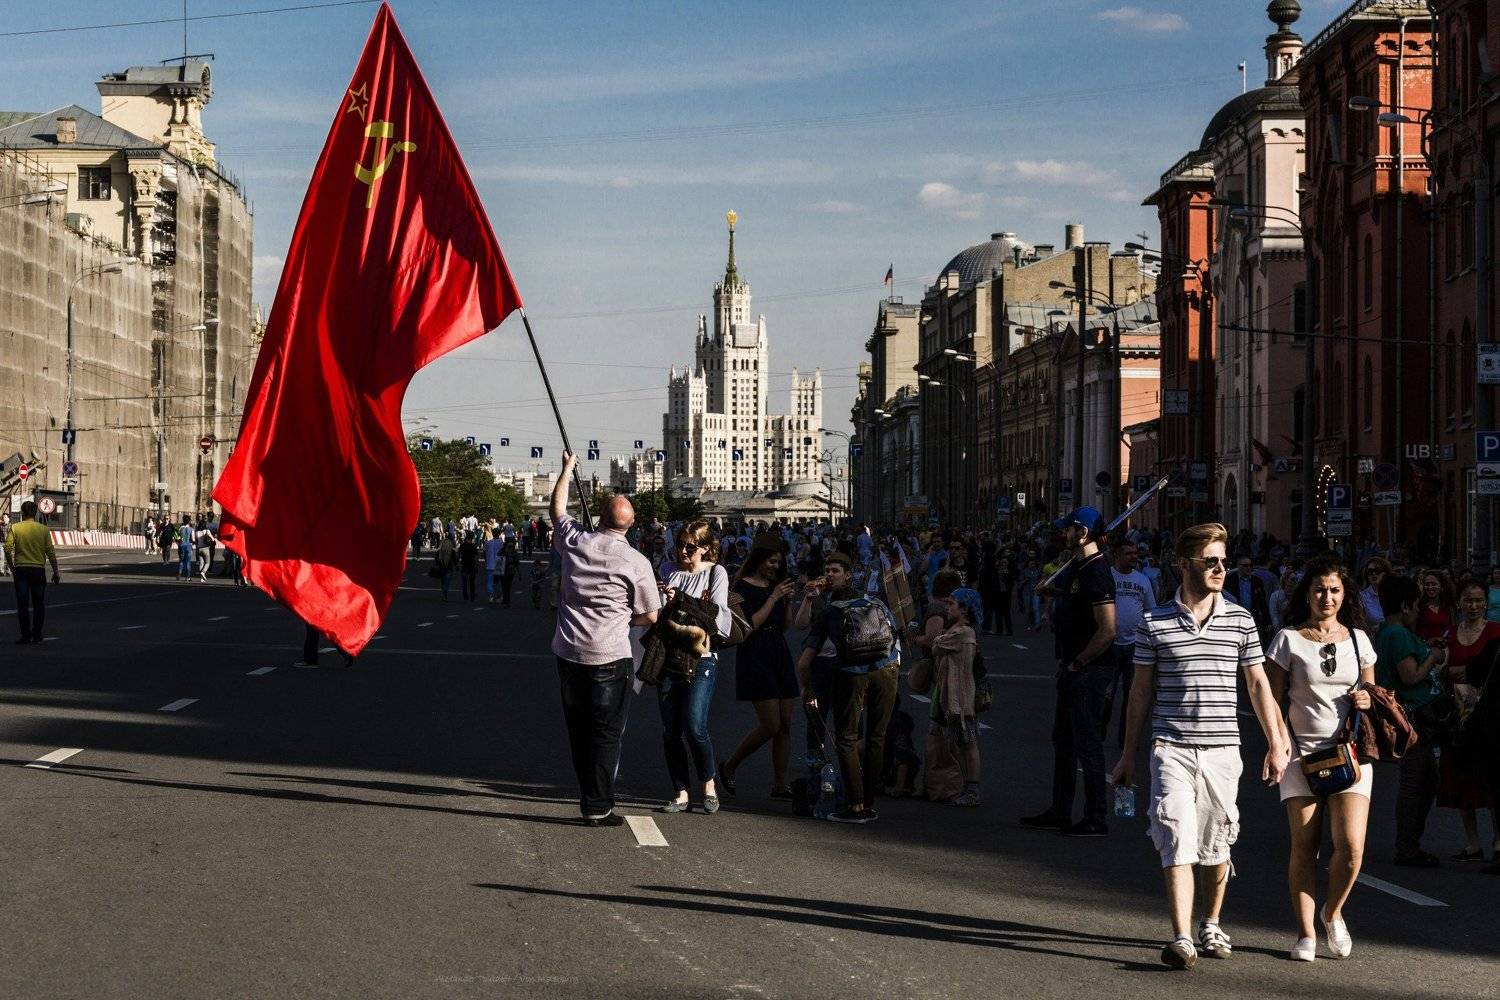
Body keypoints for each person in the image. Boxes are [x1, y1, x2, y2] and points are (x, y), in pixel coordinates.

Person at [1111, 522, 1290, 971]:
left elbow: (1258, 685)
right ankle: (1181, 937)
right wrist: (1128, 754)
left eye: (1223, 561)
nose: (1219, 569)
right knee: (1175, 836)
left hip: (1222, 750)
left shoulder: (1241, 620)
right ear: (1183, 564)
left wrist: (1275, 742)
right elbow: (1140, 692)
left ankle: (1211, 922)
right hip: (1170, 747)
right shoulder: (1154, 623)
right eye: (1210, 561)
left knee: (1216, 843)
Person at [1265, 555, 1377, 962]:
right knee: (1304, 846)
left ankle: (1333, 913)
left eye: (1334, 590)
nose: (1326, 597)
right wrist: (1276, 745)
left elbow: (1372, 695)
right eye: (1319, 590)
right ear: (1307, 594)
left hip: (1349, 754)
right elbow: (1271, 701)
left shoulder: (1359, 640)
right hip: (1301, 755)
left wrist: (1365, 698)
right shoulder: (1288, 640)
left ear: (1345, 595)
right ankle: (1306, 933)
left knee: (1351, 847)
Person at [550, 451, 660, 827]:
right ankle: (597, 804)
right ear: (632, 525)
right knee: (607, 733)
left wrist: (567, 469)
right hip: (610, 656)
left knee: (579, 730)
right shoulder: (636, 562)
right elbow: (650, 615)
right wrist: (623, 617)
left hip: (569, 653)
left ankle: (590, 796)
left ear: (599, 517)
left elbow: (557, 509)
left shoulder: (576, 541)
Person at [1021, 506, 1117, 837]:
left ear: (1083, 533)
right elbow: (1077, 599)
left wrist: (1078, 663)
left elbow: (1107, 630)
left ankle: (1096, 816)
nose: (1064, 534)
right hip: (1071, 667)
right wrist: (1054, 591)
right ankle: (1060, 810)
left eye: (1069, 529)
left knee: (1087, 744)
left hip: (1089, 671)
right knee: (1063, 741)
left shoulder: (1097, 571)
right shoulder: (1077, 567)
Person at [796, 551, 900, 823]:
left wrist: (807, 689)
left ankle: (855, 806)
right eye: (827, 571)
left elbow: (804, 662)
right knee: (876, 737)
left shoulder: (831, 611)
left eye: (835, 571)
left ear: (848, 575)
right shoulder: (874, 602)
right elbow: (895, 636)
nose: (829, 575)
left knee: (846, 739)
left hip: (852, 674)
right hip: (887, 670)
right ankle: (869, 803)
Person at [655, 519, 730, 814]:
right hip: (669, 657)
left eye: (691, 546)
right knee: (670, 731)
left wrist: (682, 600)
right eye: (680, 545)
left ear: (706, 548)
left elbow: (716, 617)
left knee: (695, 726)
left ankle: (708, 784)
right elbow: (656, 616)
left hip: (702, 658)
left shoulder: (715, 573)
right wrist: (660, 599)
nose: (683, 551)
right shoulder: (666, 570)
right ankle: (681, 792)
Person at [1374, 572, 1450, 867]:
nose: (1419, 610)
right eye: (1416, 605)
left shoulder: (1389, 632)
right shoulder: (1397, 634)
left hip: (1410, 717)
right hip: (1412, 718)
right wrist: (1433, 656)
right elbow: (1410, 675)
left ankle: (1410, 843)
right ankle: (1407, 847)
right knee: (1415, 783)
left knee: (1426, 780)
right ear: (1405, 606)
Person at [720, 541, 799, 799]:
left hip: (778, 650)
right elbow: (749, 624)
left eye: (778, 563)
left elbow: (785, 626)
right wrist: (773, 597)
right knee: (771, 725)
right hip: (755, 652)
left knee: (785, 724)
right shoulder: (741, 587)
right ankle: (730, 766)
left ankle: (780, 784)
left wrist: (788, 602)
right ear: (759, 560)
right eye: (771, 561)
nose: (775, 567)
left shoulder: (775, 586)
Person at [1437, 581, 1500, 863]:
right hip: (1458, 717)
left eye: (1478, 600)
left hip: (1490, 717)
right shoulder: (1451, 634)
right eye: (1468, 600)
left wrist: (1459, 671)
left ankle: (1498, 840)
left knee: (1491, 778)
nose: (1473, 606)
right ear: (1459, 603)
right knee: (1460, 776)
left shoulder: (1495, 632)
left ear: (1486, 603)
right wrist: (1461, 672)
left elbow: (1482, 672)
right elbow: (1441, 669)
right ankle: (1472, 843)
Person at [1106, 538, 1153, 747]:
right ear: (1117, 555)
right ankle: (1098, 731)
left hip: (1135, 645)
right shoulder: (1107, 576)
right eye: (1128, 553)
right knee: (1106, 694)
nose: (1134, 557)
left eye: (1135, 553)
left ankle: (1126, 740)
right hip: (1109, 643)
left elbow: (1150, 611)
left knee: (1132, 695)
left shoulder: (1143, 580)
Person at [4, 500, 60, 644]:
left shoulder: (15, 528)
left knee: (22, 605)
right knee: (38, 604)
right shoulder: (43, 529)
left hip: (21, 570)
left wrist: (12, 567)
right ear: (35, 513)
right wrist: (56, 572)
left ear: (22, 513)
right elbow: (50, 552)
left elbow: (7, 549)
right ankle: (37, 634)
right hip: (38, 571)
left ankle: (25, 635)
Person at [1224, 556, 1273, 646]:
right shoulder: (1229, 580)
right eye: (1245, 565)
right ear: (1238, 566)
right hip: (1234, 618)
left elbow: (1262, 602)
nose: (1249, 568)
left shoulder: (1257, 581)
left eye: (1250, 565)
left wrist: (1268, 622)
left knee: (1254, 644)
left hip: (1253, 618)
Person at [1414, 570, 1454, 643]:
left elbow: (1452, 629)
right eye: (1427, 584)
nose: (1430, 587)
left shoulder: (1448, 607)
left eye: (1434, 584)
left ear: (1441, 586)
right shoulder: (1419, 607)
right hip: (1424, 647)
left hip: (1445, 646)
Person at [1358, 558, 1391, 628]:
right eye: (1370, 571)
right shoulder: (1362, 596)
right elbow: (1360, 624)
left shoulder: (1394, 592)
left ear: (1386, 573)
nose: (1373, 573)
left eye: (1377, 570)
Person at [495, 537, 518, 608]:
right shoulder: (502, 551)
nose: (511, 546)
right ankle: (506, 601)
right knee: (504, 586)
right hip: (503, 571)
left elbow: (516, 562)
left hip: (510, 572)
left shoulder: (513, 552)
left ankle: (506, 600)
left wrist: (518, 572)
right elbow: (498, 560)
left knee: (508, 586)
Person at [433, 533, 456, 602]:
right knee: (447, 582)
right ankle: (445, 594)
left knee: (443, 582)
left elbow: (436, 560)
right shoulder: (452, 551)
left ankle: (443, 593)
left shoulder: (439, 552)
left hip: (441, 568)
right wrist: (456, 566)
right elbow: (455, 560)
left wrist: (437, 564)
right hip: (449, 568)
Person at [483, 527, 504, 603]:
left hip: (490, 564)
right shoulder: (501, 543)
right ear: (499, 534)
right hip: (499, 564)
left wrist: (486, 559)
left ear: (492, 533)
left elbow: (484, 553)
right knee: (498, 582)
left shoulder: (487, 543)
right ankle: (499, 596)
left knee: (490, 581)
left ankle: (491, 596)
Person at [458, 529, 480, 602]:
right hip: (472, 565)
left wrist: (457, 564)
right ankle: (472, 596)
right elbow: (476, 557)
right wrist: (477, 566)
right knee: (472, 582)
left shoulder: (463, 545)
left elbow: (458, 555)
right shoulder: (474, 546)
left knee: (464, 582)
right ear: (472, 538)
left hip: (464, 564)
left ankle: (465, 597)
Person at [176, 515, 196, 580]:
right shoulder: (191, 529)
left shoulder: (180, 528)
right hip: (189, 546)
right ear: (189, 521)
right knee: (188, 562)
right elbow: (193, 539)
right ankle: (188, 576)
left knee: (181, 561)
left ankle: (179, 574)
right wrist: (194, 543)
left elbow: (177, 537)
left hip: (181, 545)